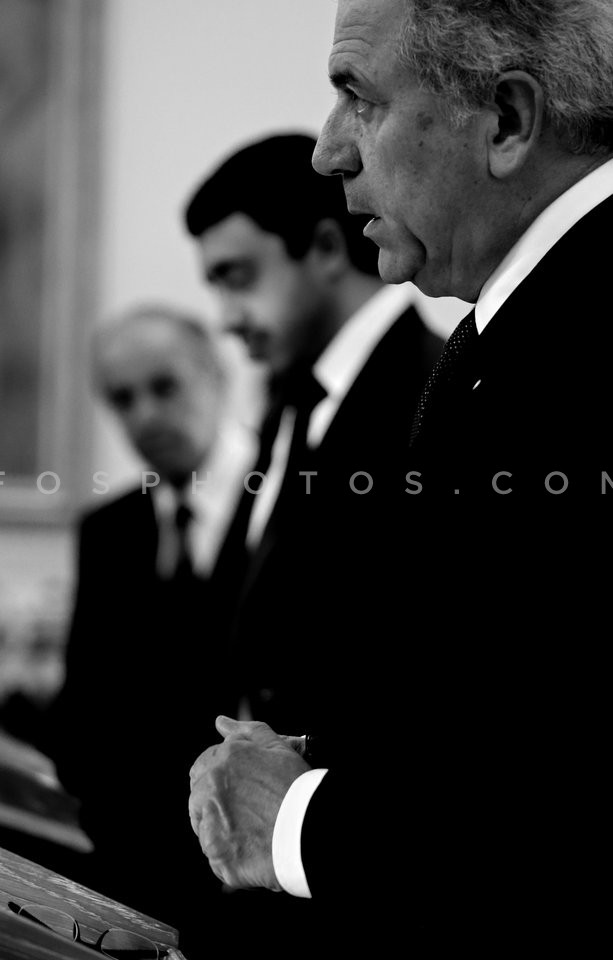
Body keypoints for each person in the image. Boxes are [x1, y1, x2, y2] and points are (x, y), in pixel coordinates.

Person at [188, 1, 611, 952]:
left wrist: (297, 823)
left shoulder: (584, 345)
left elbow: (567, 812)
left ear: (505, 121)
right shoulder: (520, 328)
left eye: (358, 97)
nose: (327, 152)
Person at [184, 132, 442, 729]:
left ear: (326, 248)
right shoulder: (291, 402)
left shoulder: (436, 394)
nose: (225, 319)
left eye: (238, 277)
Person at [47, 305, 254, 956]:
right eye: (122, 399)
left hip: (258, 875)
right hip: (130, 881)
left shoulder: (294, 504)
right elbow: (81, 715)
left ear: (215, 374)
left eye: (164, 387)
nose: (144, 416)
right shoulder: (107, 532)